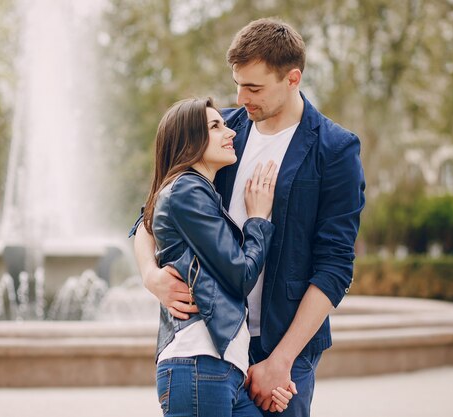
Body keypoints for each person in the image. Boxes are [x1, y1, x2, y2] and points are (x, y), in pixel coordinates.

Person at [132, 18, 366, 416]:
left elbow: (334, 267)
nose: (240, 97)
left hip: (286, 350)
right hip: (213, 340)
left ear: (292, 79)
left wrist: (281, 360)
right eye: (237, 83)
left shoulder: (335, 149)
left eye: (254, 87)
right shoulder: (221, 133)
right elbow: (149, 216)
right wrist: (151, 277)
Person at [138, 96, 295, 416]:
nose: (231, 132)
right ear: (188, 140)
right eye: (215, 126)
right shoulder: (187, 191)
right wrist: (258, 222)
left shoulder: (198, 193)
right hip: (199, 363)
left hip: (223, 367)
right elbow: (239, 276)